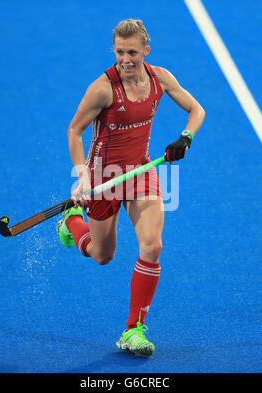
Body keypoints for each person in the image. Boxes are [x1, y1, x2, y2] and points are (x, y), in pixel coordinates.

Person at [57, 19, 205, 356]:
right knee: (102, 255)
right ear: (114, 50)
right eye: (120, 52)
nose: (126, 59)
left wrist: (186, 138)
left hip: (141, 171)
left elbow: (197, 110)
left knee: (152, 246)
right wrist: (81, 175)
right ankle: (71, 221)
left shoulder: (160, 78)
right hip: (104, 178)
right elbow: (74, 131)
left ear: (145, 51)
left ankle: (133, 329)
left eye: (133, 53)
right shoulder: (102, 89)